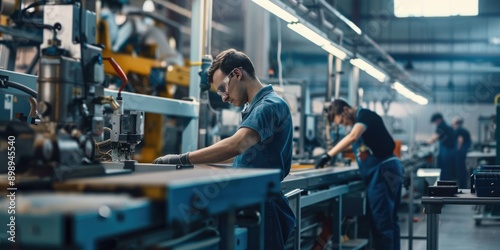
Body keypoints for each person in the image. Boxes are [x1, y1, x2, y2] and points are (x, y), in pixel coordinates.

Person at [152, 49, 295, 249]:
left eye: (222, 88)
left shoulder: (268, 106)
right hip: (252, 201)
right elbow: (243, 152)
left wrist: (181, 159)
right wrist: (200, 165)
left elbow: (237, 145)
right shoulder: (258, 106)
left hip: (262, 205)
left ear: (237, 74)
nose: (224, 97)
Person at [315, 99, 403, 250]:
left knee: (382, 224)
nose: (344, 125)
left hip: (384, 172)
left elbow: (353, 137)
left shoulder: (365, 116)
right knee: (389, 221)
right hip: (389, 169)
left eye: (342, 120)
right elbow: (360, 147)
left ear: (346, 110)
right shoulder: (361, 122)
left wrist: (327, 155)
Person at [428, 113, 457, 182]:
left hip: (447, 150)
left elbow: (435, 137)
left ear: (438, 120)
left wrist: (426, 143)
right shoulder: (446, 126)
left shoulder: (442, 126)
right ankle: (447, 184)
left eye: (435, 122)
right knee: (448, 169)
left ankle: (444, 185)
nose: (435, 123)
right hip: (450, 150)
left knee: (445, 169)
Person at [452, 117, 472, 188]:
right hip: (464, 153)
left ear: (456, 123)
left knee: (460, 171)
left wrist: (457, 150)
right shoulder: (464, 130)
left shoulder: (459, 130)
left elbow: (460, 140)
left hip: (461, 154)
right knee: (463, 171)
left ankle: (462, 187)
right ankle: (464, 186)